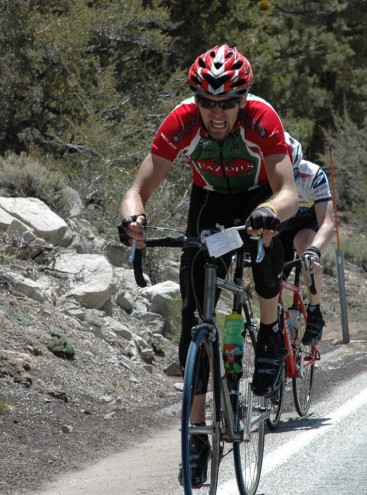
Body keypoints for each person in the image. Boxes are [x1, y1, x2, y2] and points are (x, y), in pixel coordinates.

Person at [117, 45, 297, 487]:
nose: (217, 113)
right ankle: (197, 436)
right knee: (193, 315)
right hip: (210, 202)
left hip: (259, 197)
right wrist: (131, 219)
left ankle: (272, 334)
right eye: (207, 102)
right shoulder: (181, 121)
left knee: (266, 245)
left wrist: (271, 212)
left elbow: (289, 191)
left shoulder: (262, 119)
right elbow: (137, 189)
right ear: (195, 99)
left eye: (228, 103)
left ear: (243, 99)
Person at [278, 132, 335, 344]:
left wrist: (315, 250)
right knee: (272, 278)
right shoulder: (264, 174)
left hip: (306, 225)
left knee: (305, 245)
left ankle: (314, 311)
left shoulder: (313, 175)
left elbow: (328, 223)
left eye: (292, 172)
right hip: (280, 228)